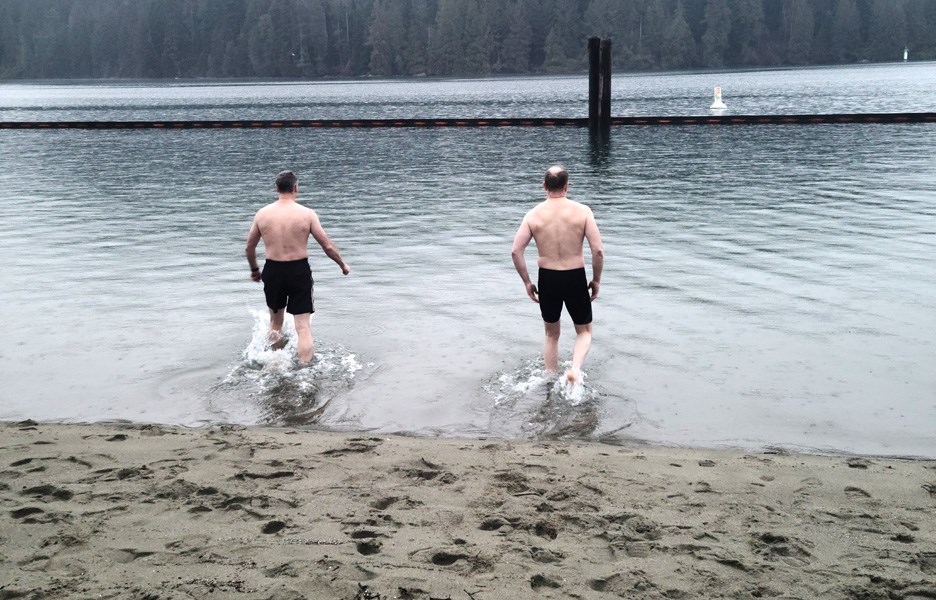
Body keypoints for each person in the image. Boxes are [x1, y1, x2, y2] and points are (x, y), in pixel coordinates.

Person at [246, 170, 350, 365]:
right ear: (296, 188)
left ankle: (276, 363)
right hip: (298, 271)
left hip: (273, 271)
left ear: (277, 188)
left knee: (275, 323)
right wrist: (342, 264)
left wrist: (254, 270)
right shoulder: (307, 214)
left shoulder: (262, 214)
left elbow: (249, 246)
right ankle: (305, 369)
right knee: (303, 327)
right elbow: (326, 245)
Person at [511, 165, 604, 382]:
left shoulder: (533, 215)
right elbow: (597, 250)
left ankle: (550, 380)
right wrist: (596, 280)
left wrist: (527, 282)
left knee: (551, 335)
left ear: (544, 186)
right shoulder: (583, 212)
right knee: (584, 332)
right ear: (567, 186)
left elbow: (516, 251)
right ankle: (575, 370)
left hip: (548, 278)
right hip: (575, 277)